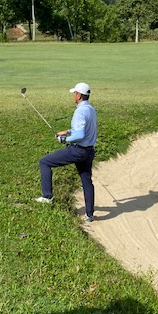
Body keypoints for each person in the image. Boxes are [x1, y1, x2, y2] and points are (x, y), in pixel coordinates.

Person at [36, 82, 97, 222]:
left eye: (75, 93)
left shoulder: (80, 111)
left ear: (79, 95)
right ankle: (89, 214)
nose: (74, 95)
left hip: (77, 151)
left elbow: (80, 134)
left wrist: (65, 139)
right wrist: (68, 131)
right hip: (89, 152)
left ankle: (47, 196)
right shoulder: (90, 109)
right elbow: (84, 128)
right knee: (86, 181)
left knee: (44, 162)